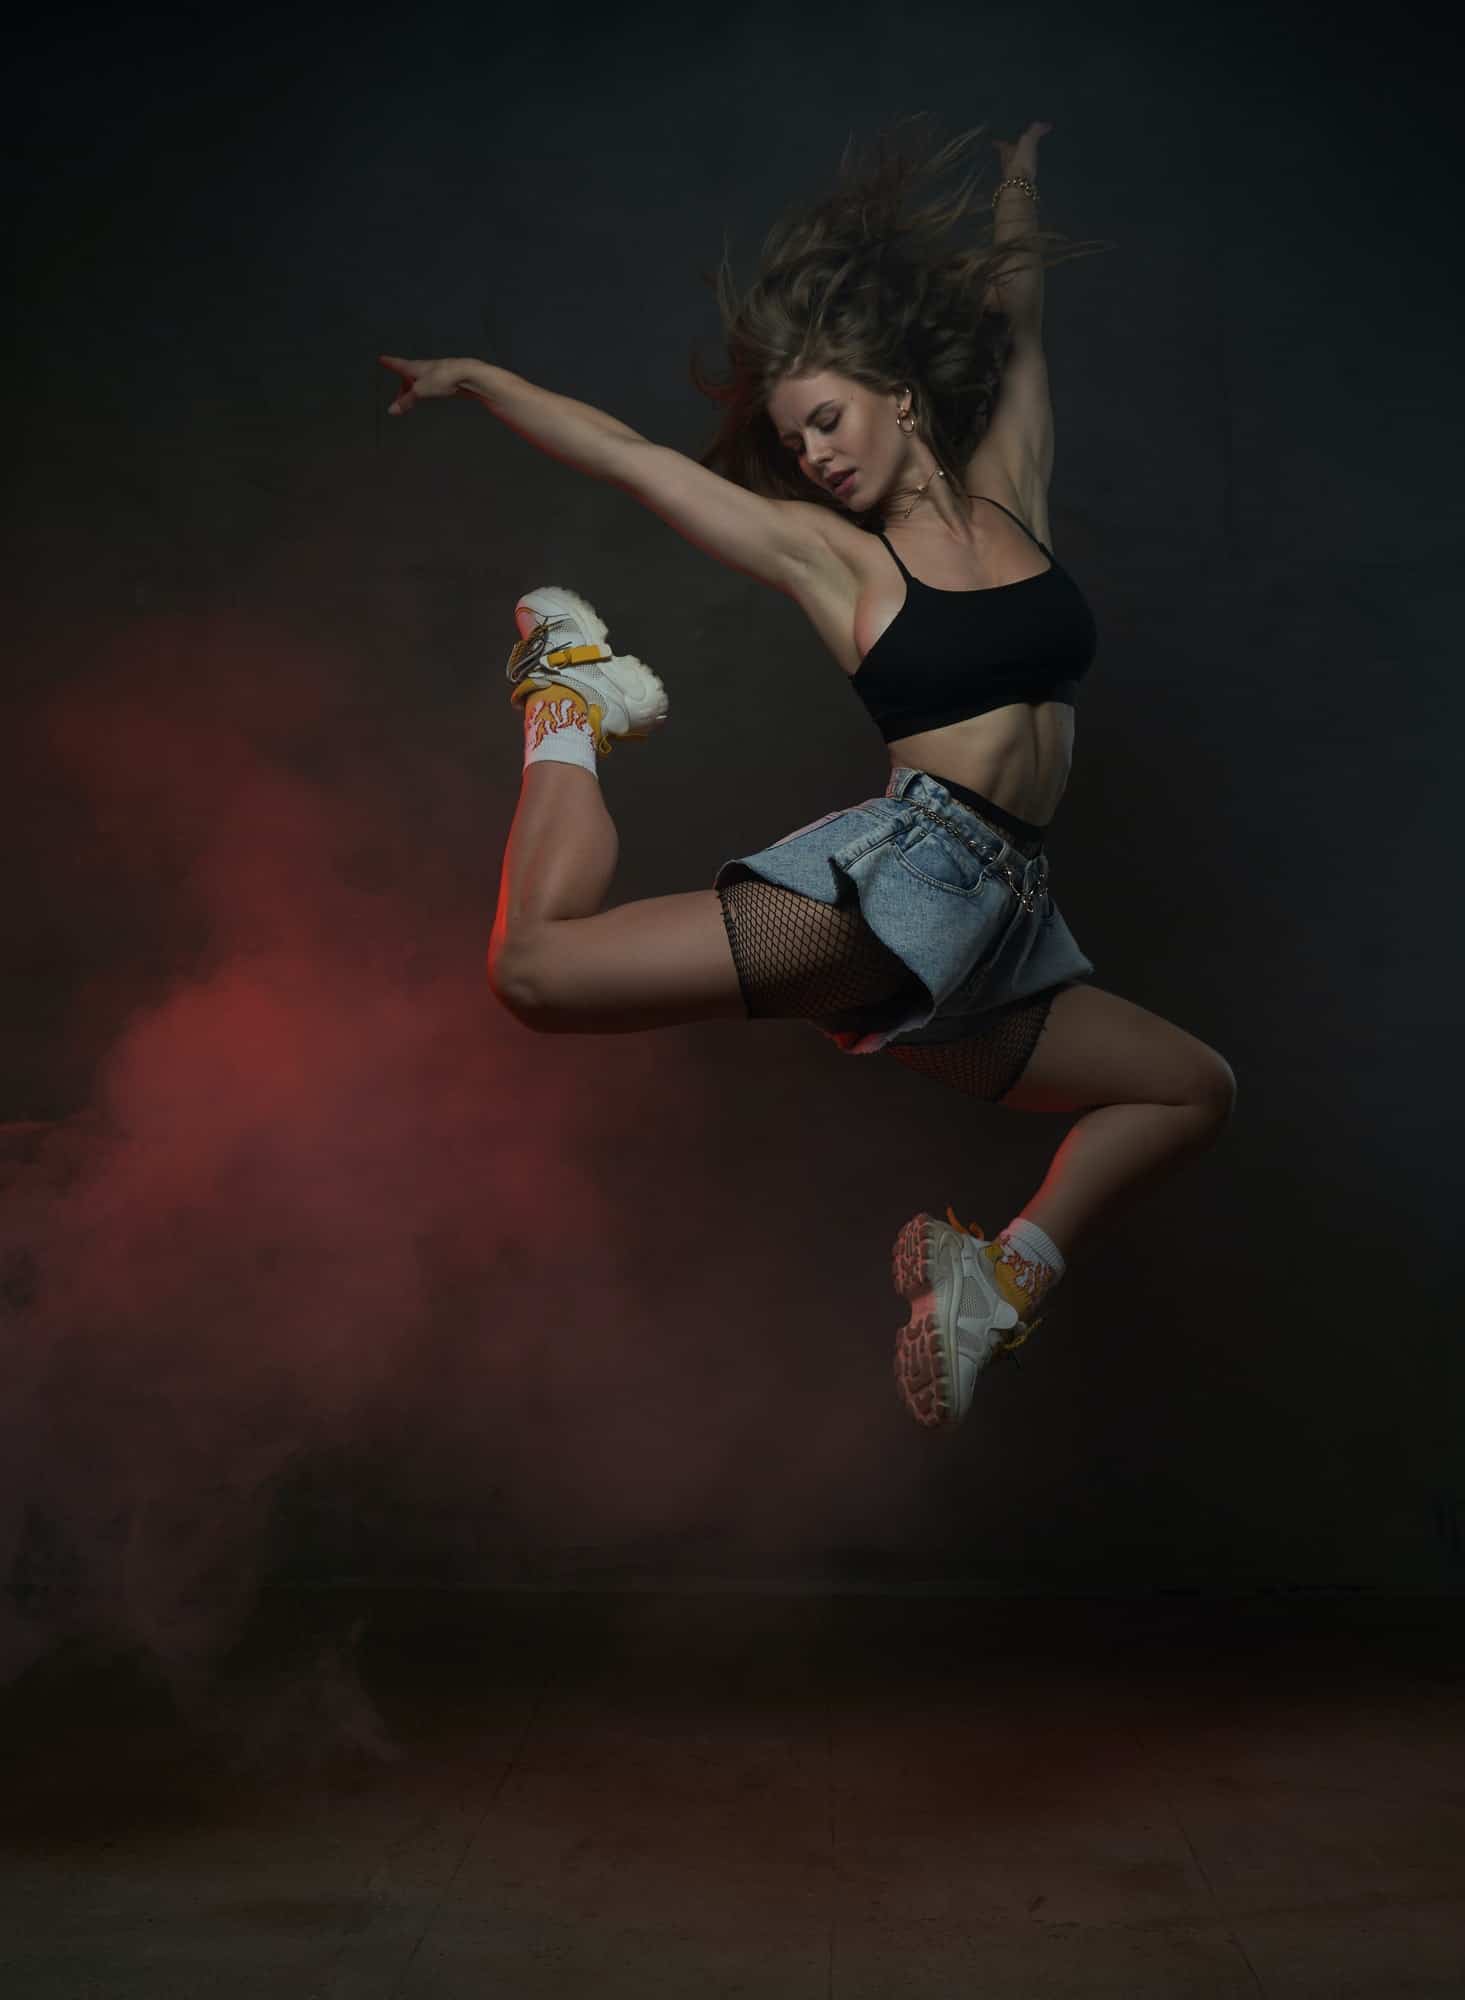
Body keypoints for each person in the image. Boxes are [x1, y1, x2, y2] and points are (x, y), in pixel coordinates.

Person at [379, 118, 1236, 1432]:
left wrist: (1016, 188)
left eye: (826, 421)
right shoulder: (837, 562)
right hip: (905, 886)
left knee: (1188, 1087)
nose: (816, 457)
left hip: (997, 926)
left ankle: (999, 1278)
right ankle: (568, 693)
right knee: (535, 971)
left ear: (897, 391)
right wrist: (483, 378)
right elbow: (633, 458)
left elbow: (1020, 330)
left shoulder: (1010, 493)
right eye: (795, 445)